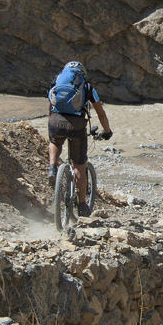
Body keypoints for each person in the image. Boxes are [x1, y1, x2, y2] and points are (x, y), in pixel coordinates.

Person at [47, 61, 112, 217]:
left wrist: (53, 124)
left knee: (55, 141)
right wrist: (107, 131)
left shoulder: (56, 82)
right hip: (76, 126)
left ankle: (52, 167)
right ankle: (82, 205)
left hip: (55, 121)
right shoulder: (88, 87)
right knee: (79, 166)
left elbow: (50, 106)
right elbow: (101, 113)